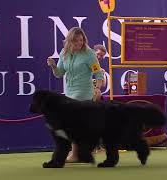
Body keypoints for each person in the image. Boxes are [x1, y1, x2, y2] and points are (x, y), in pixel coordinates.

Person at [47, 27, 104, 162]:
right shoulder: (64, 53)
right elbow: (60, 73)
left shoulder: (89, 54)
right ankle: (81, 153)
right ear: (69, 41)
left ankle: (75, 154)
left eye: (81, 40)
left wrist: (97, 89)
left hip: (84, 92)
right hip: (69, 91)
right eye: (76, 40)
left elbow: (98, 73)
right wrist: (53, 66)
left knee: (71, 122)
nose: (79, 43)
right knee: (77, 125)